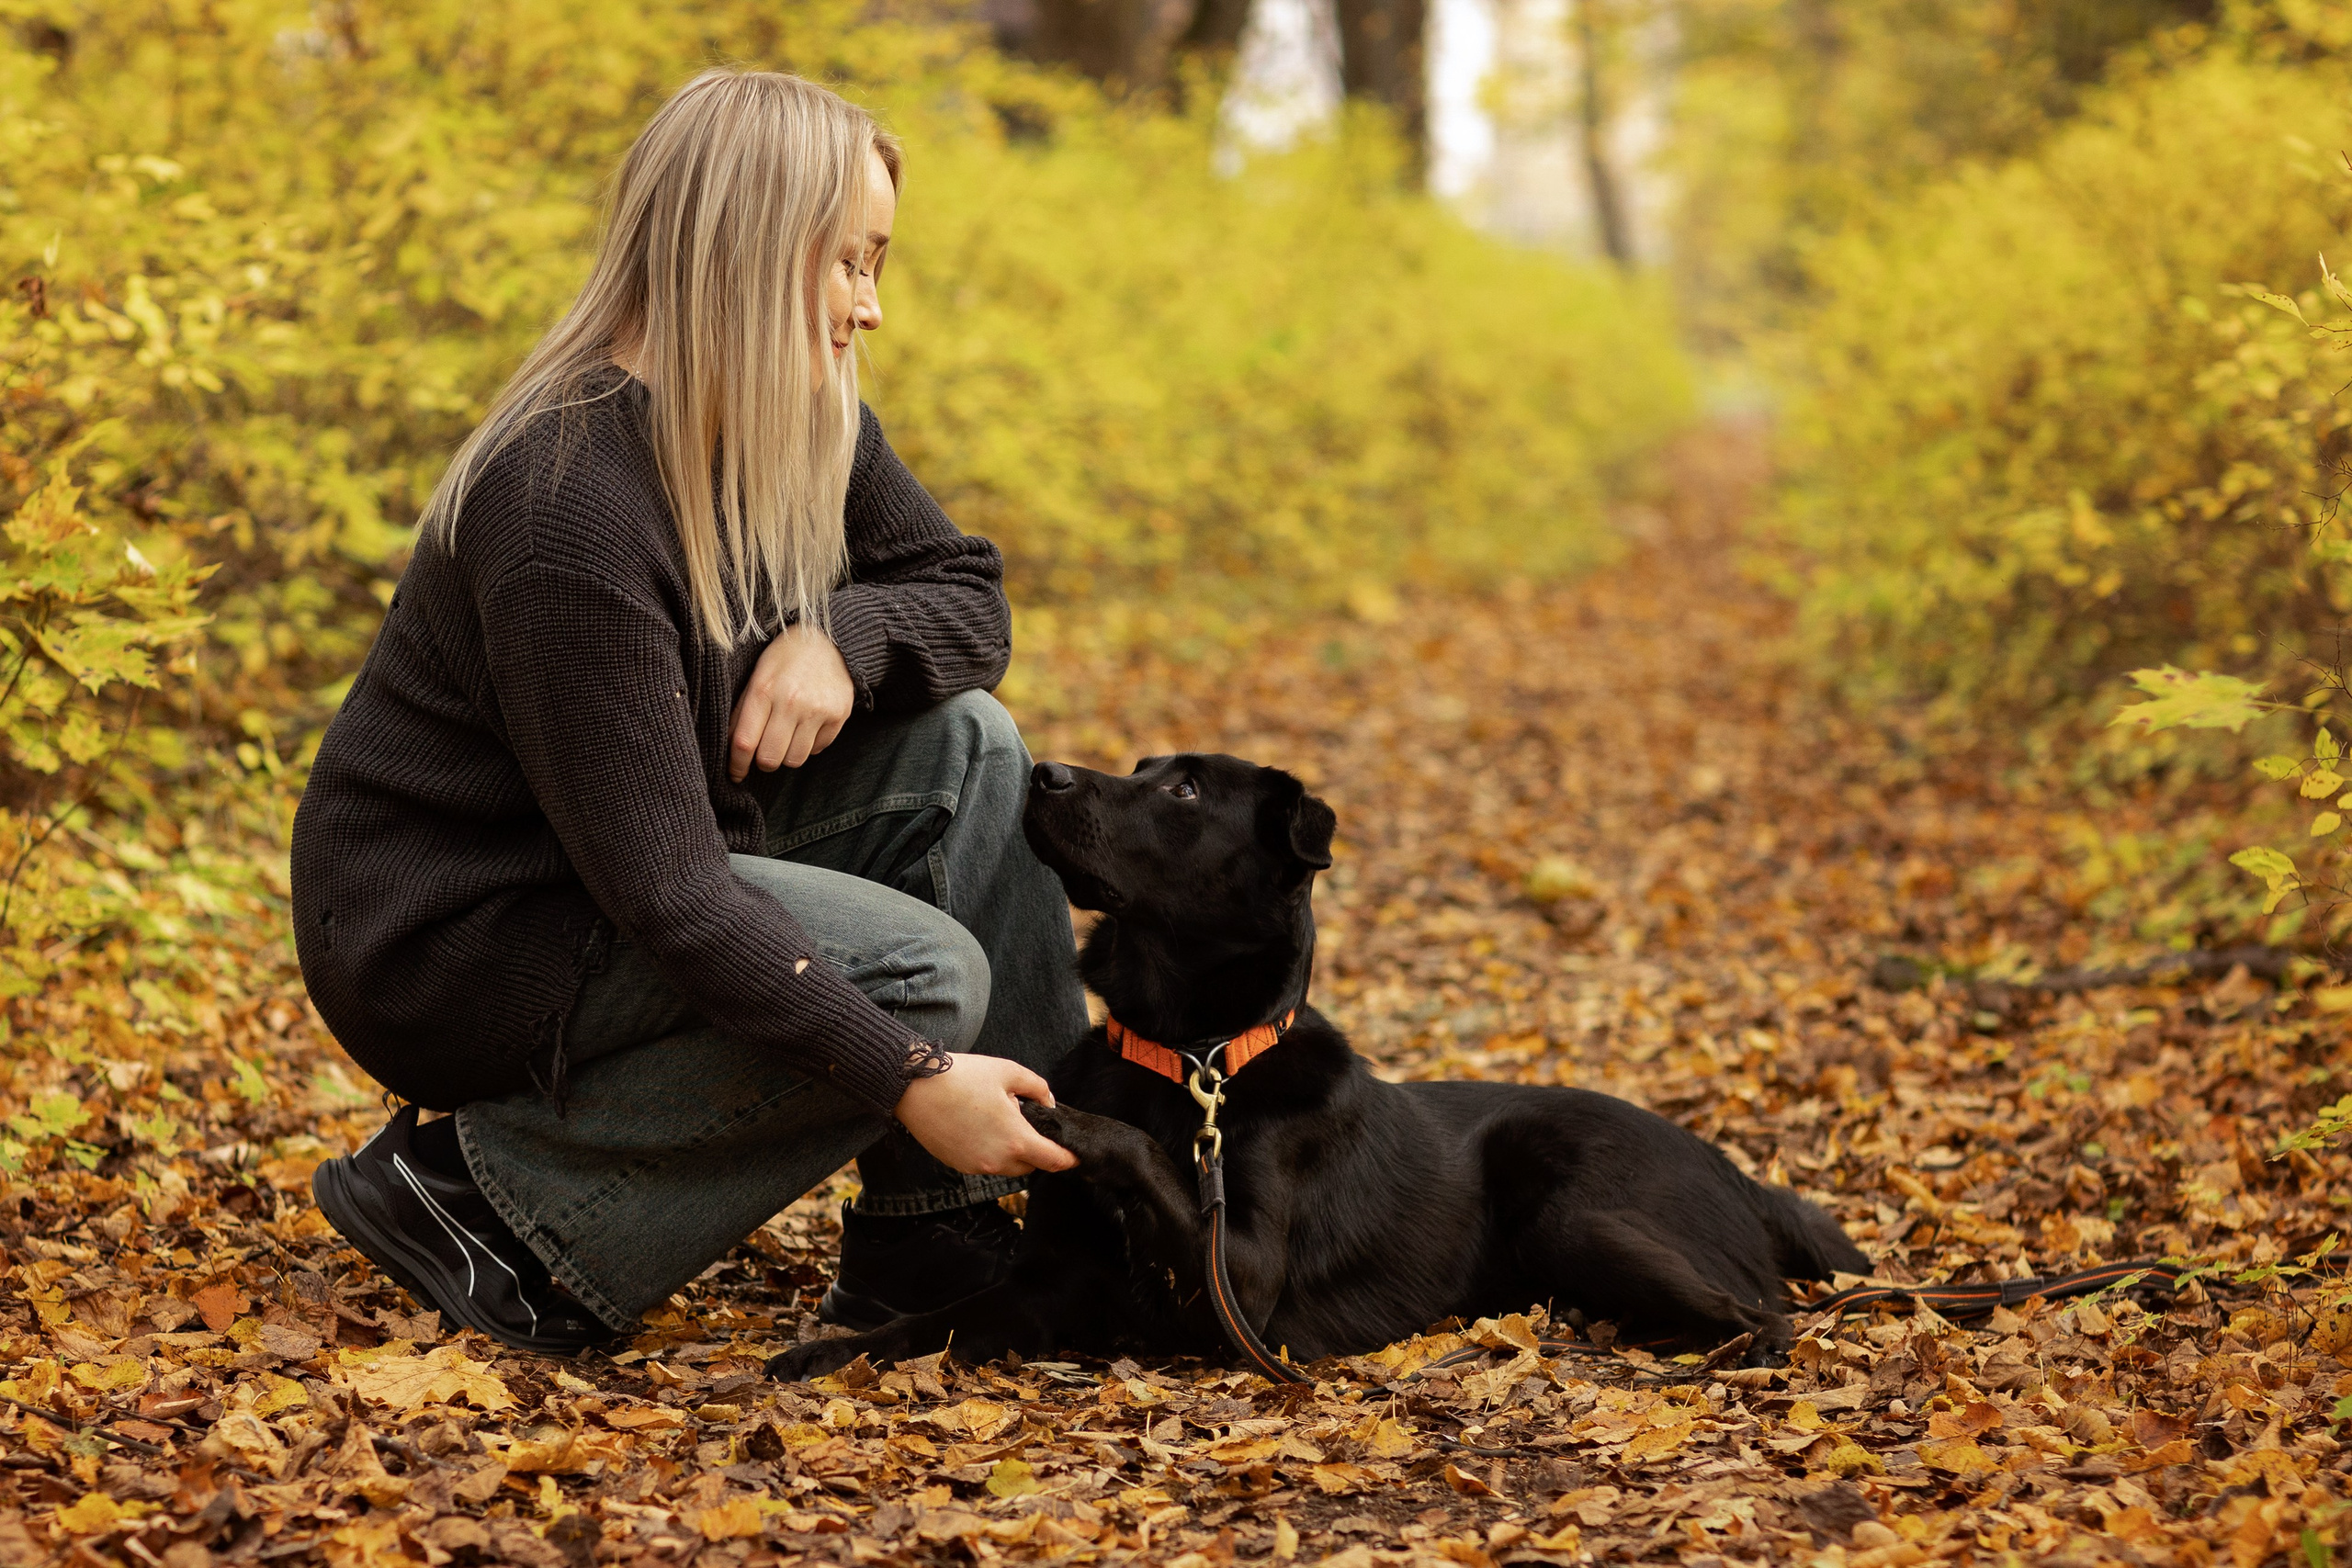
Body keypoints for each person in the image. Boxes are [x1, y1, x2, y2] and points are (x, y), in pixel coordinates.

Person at [290, 68, 1088, 1354]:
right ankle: (497, 1208)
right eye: (849, 263)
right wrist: (912, 1077)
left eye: (878, 263)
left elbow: (967, 600)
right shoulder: (567, 506)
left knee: (966, 745)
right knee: (918, 981)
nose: (871, 308)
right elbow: (668, 897)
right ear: (750, 252)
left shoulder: (796, 425)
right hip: (462, 937)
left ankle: (949, 1234)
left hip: (627, 869)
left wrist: (843, 634)